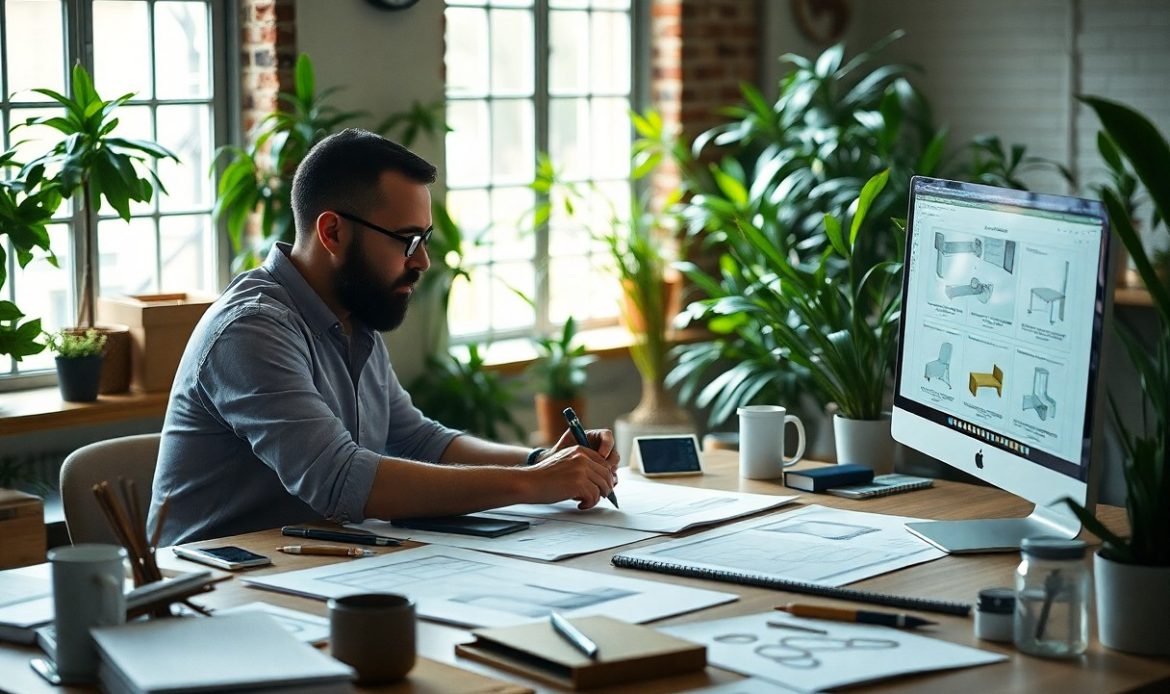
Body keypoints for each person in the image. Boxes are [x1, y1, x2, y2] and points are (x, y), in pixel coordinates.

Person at [148, 129, 618, 545]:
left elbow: (416, 440)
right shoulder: (251, 329)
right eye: (407, 241)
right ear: (332, 231)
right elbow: (341, 479)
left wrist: (538, 460)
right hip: (214, 592)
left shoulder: (353, 313)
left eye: (425, 239)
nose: (423, 262)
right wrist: (533, 484)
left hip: (314, 570)